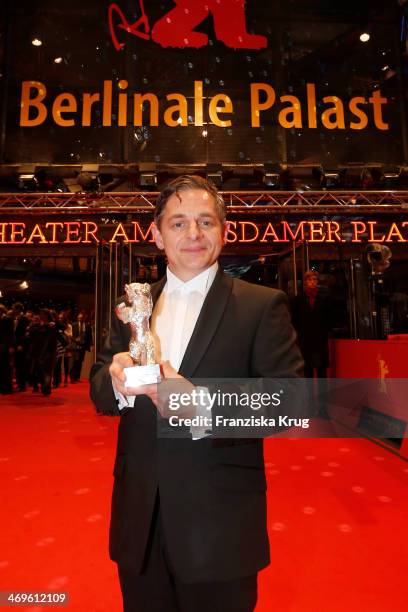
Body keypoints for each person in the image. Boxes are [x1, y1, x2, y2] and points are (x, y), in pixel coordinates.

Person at [90, 175, 304, 612]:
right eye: (179, 223)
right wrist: (114, 381)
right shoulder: (133, 304)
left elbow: (289, 401)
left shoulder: (262, 304)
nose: (193, 234)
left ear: (223, 233)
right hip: (139, 522)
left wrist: (200, 403)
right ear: (156, 234)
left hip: (219, 525)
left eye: (206, 222)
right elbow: (98, 387)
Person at [291, 269, 331, 418]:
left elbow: (329, 320)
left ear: (317, 282)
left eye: (314, 279)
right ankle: (308, 409)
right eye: (309, 279)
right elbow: (294, 321)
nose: (312, 282)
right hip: (305, 343)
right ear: (305, 282)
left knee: (322, 378)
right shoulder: (297, 300)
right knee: (307, 378)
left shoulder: (324, 299)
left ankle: (322, 410)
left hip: (320, 343)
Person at [12, 302, 30, 391]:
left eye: (14, 308)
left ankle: (22, 385)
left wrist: (21, 345)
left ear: (18, 309)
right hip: (17, 345)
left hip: (21, 346)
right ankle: (20, 383)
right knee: (18, 365)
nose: (13, 310)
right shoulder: (17, 318)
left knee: (21, 366)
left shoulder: (24, 319)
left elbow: (25, 334)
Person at [70, 313, 92, 382]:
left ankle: (77, 377)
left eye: (81, 318)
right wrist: (75, 339)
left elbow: (89, 336)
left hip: (83, 346)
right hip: (75, 346)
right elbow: (70, 335)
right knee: (75, 361)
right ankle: (73, 377)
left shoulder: (87, 326)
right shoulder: (74, 325)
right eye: (79, 318)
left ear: (84, 318)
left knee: (80, 362)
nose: (80, 319)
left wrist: (88, 345)